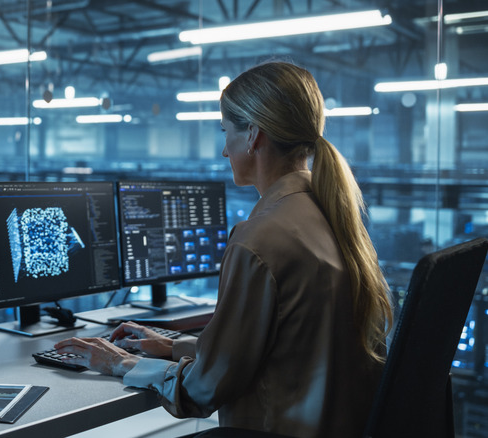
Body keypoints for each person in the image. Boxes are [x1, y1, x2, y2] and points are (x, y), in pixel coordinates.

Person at [54, 61, 393, 437]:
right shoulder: (331, 215)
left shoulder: (260, 239)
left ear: (253, 135)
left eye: (225, 132)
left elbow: (203, 389)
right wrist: (172, 347)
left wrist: (120, 363)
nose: (223, 151)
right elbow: (272, 352)